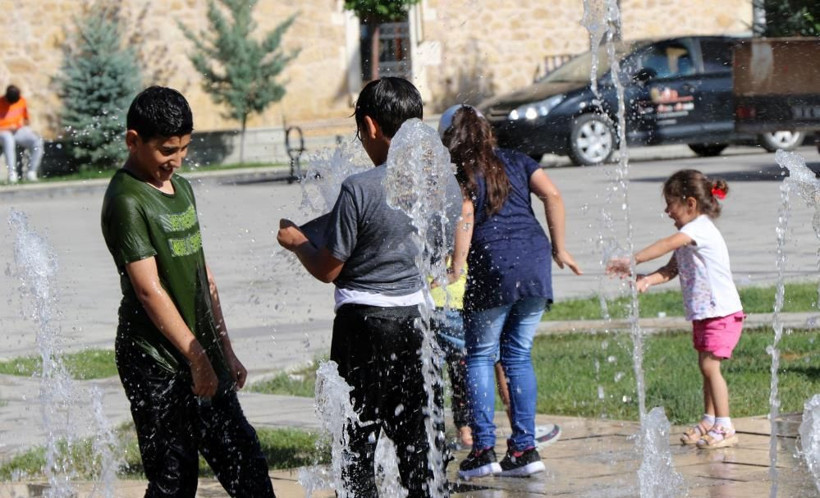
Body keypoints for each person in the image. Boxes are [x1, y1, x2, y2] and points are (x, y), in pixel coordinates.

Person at [277, 77, 462, 496]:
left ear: (371, 126)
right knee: (421, 443)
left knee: (357, 443)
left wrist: (298, 243)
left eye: (361, 131)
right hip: (418, 321)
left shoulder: (358, 188)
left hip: (363, 326)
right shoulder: (444, 184)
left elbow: (329, 269)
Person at [101, 86, 276, 497]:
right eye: (166, 151)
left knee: (245, 462)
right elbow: (148, 290)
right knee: (175, 478)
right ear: (133, 141)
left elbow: (202, 276)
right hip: (154, 358)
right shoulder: (127, 199)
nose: (176, 161)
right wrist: (197, 357)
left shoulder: (182, 189)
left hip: (199, 350)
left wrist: (224, 350)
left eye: (183, 149)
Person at [441, 105, 582, 479]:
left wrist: (457, 265)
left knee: (480, 356)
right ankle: (524, 449)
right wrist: (560, 247)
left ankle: (484, 449)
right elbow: (552, 195)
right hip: (535, 262)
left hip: (494, 265)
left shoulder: (461, 171)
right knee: (518, 355)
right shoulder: (518, 160)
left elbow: (464, 216)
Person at [607, 169, 744, 450]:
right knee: (706, 367)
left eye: (671, 203)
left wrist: (631, 260)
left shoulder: (698, 229)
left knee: (709, 366)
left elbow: (666, 244)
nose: (667, 210)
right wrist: (646, 279)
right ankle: (710, 420)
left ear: (690, 203)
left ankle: (726, 426)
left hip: (721, 312)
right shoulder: (689, 235)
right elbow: (671, 270)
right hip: (706, 313)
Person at [0, 85, 44, 183]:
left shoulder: (21, 101)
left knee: (37, 140)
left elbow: (26, 120)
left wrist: (24, 126)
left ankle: (32, 172)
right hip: (2, 132)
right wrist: (8, 128)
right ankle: (12, 174)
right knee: (8, 139)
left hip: (17, 131)